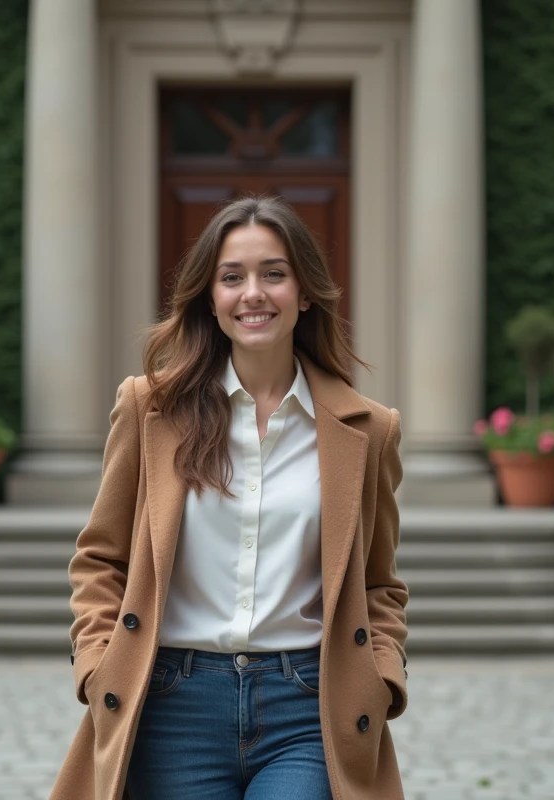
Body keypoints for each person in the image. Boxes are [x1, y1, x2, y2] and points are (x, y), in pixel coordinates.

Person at [48, 195, 409, 800]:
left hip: (309, 706)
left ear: (305, 292)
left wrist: (382, 674)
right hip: (172, 705)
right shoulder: (149, 409)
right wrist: (96, 662)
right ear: (210, 298)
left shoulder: (368, 430)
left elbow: (379, 583)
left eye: (274, 273)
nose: (253, 294)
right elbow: (101, 558)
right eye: (232, 277)